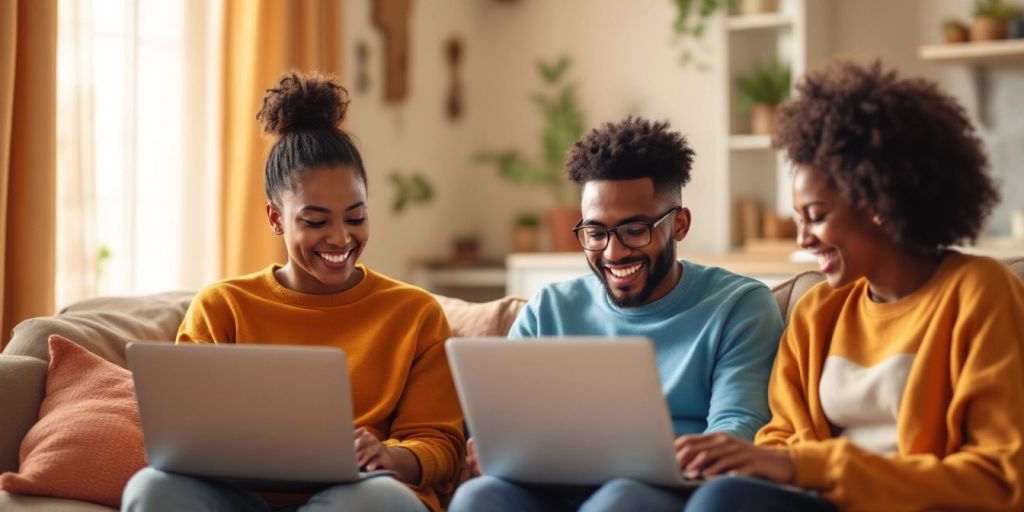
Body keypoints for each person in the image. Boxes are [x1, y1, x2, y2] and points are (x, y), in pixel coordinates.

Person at [676, 59, 1024, 512]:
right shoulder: (817, 313)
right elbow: (782, 439)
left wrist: (814, 467)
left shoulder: (979, 292)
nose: (803, 239)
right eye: (798, 218)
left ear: (878, 202)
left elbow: (1000, 479)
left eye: (817, 216)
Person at [121, 72, 464, 512]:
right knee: (151, 488)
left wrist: (392, 456)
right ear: (276, 217)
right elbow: (184, 437)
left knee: (378, 502)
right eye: (316, 222)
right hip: (241, 498)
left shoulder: (415, 312)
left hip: (359, 496)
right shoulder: (222, 307)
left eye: (355, 217)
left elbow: (441, 446)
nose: (340, 238)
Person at [448, 117, 785, 512]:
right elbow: (505, 423)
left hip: (669, 493)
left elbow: (737, 431)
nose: (613, 252)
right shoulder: (549, 310)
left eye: (634, 230)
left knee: (618, 501)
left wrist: (677, 459)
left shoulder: (739, 306)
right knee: (477, 498)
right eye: (596, 233)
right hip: (550, 487)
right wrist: (490, 448)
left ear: (679, 224)